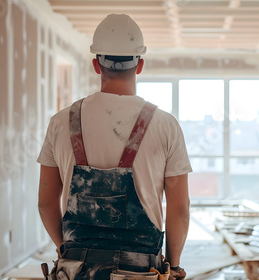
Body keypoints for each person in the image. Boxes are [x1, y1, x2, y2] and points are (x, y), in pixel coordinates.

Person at [37, 14, 192, 280]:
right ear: (140, 64)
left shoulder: (61, 122)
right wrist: (173, 265)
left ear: (97, 65)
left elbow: (45, 203)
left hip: (76, 269)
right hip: (141, 271)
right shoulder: (166, 125)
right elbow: (179, 208)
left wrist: (66, 252)